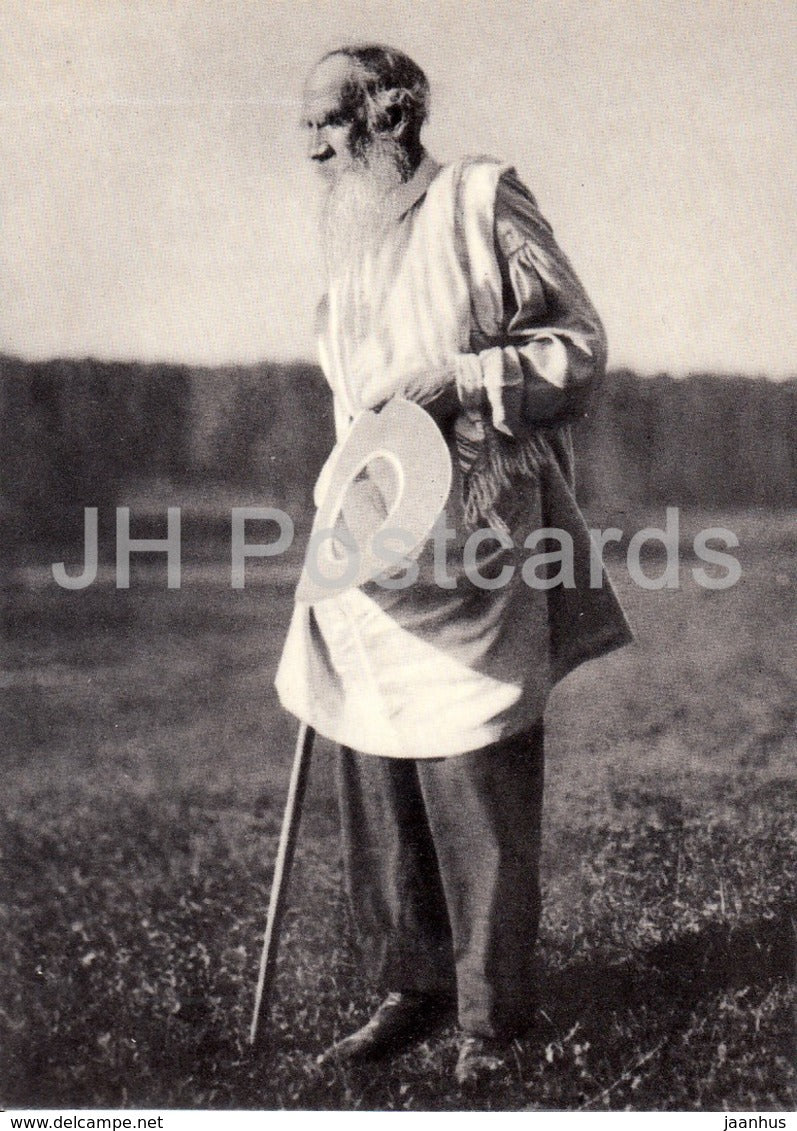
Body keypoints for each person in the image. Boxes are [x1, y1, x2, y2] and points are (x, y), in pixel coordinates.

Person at [275, 43, 632, 1088]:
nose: (312, 147)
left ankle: (489, 1016)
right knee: (371, 756)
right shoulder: (341, 233)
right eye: (305, 127)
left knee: (471, 763)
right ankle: (410, 987)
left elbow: (578, 345)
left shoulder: (481, 201)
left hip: (475, 527)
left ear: (389, 115)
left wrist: (463, 381)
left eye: (328, 120)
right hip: (369, 531)